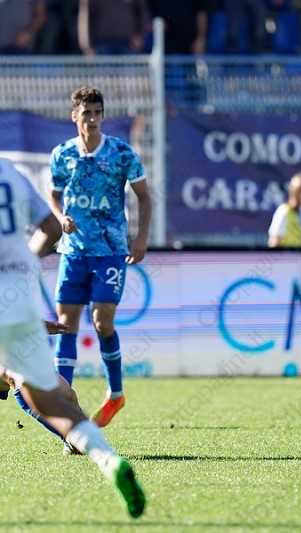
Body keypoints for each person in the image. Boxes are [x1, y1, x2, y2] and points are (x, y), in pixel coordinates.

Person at [0, 156, 146, 518]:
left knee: (22, 381)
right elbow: (52, 227)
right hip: (17, 295)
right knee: (55, 398)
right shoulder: (9, 173)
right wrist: (23, 262)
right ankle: (109, 460)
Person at [28, 86, 151, 430]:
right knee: (65, 326)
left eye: (97, 113)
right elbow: (53, 195)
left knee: (102, 322)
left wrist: (141, 236)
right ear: (75, 117)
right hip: (73, 252)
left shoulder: (121, 153)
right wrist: (60, 218)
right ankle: (63, 403)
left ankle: (115, 394)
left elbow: (144, 196)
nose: (93, 119)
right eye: (87, 113)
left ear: (103, 116)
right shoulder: (62, 154)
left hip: (110, 250)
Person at [77, 0, 150, 56]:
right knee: (103, 71)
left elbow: (142, 13)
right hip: (102, 44)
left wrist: (140, 36)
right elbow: (86, 19)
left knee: (130, 71)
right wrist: (88, 46)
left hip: (129, 44)